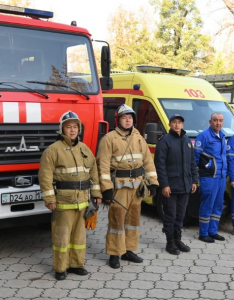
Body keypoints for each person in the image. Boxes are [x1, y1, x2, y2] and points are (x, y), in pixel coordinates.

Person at [39, 111, 102, 280]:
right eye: (69, 127)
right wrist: (50, 199)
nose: (72, 130)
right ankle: (60, 268)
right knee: (62, 236)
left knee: (79, 237)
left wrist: (96, 194)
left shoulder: (85, 149)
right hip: (63, 202)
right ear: (62, 129)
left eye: (75, 127)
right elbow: (45, 177)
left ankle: (76, 265)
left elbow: (94, 174)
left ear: (79, 129)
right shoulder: (52, 150)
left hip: (82, 202)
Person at [97, 104, 158, 269]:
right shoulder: (109, 139)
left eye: (130, 117)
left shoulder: (139, 138)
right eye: (124, 117)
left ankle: (128, 250)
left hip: (137, 188)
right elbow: (102, 166)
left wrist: (153, 183)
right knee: (117, 221)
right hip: (119, 188)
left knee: (133, 221)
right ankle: (114, 253)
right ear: (118, 120)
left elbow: (148, 162)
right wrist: (107, 189)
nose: (127, 120)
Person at [154, 114, 199, 255]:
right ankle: (170, 242)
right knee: (170, 215)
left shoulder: (186, 141)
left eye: (180, 122)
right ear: (169, 124)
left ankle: (178, 240)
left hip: (185, 186)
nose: (177, 125)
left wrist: (194, 180)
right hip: (171, 187)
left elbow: (192, 163)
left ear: (183, 125)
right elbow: (160, 165)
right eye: (174, 122)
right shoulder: (164, 141)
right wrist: (164, 185)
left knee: (180, 215)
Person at [194, 112, 227, 243]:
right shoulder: (204, 136)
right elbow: (196, 156)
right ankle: (203, 233)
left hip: (221, 177)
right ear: (210, 122)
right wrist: (202, 170)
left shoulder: (223, 135)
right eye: (215, 120)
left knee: (218, 206)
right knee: (207, 205)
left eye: (220, 120)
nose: (218, 123)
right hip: (209, 177)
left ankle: (213, 231)